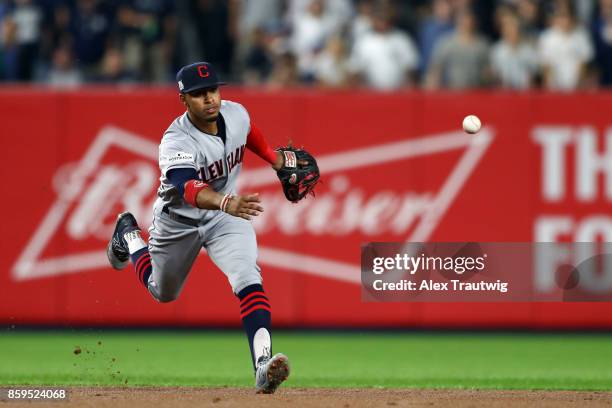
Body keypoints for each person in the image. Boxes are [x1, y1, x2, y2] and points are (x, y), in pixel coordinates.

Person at [106, 61, 290, 394]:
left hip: (224, 218)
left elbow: (249, 135)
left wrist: (276, 161)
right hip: (178, 222)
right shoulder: (175, 140)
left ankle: (262, 367)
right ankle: (129, 235)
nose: (209, 99)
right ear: (184, 101)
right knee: (162, 292)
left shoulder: (236, 114)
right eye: (198, 94)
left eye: (213, 91)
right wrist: (227, 202)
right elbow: (187, 188)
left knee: (248, 278)